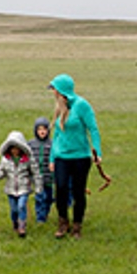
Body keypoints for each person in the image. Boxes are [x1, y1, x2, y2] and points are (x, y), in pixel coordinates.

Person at [47, 73, 101, 239]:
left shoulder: (82, 105)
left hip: (80, 157)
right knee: (61, 189)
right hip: (61, 157)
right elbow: (56, 134)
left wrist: (97, 151)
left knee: (78, 192)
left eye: (55, 89)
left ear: (62, 90)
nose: (53, 92)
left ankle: (77, 225)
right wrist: (51, 157)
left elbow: (93, 129)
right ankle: (63, 222)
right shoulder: (59, 106)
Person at [0, 130, 42, 238]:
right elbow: (1, 173)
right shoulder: (5, 160)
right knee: (14, 209)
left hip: (24, 188)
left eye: (17, 148)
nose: (15, 151)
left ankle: (22, 226)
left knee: (21, 206)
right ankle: (15, 224)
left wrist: (38, 187)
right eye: (13, 148)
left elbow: (35, 173)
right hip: (11, 189)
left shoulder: (28, 159)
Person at [27, 116, 56, 226]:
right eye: (39, 129)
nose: (42, 132)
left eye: (44, 129)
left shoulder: (53, 144)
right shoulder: (30, 145)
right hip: (37, 176)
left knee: (48, 197)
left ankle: (46, 212)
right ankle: (40, 218)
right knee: (40, 197)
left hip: (49, 176)